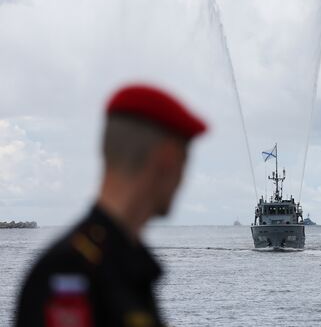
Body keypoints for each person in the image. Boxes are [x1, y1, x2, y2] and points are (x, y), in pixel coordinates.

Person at [15, 84, 207, 327]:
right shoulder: (69, 273)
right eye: (184, 163)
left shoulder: (124, 266)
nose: (183, 180)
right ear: (166, 159)